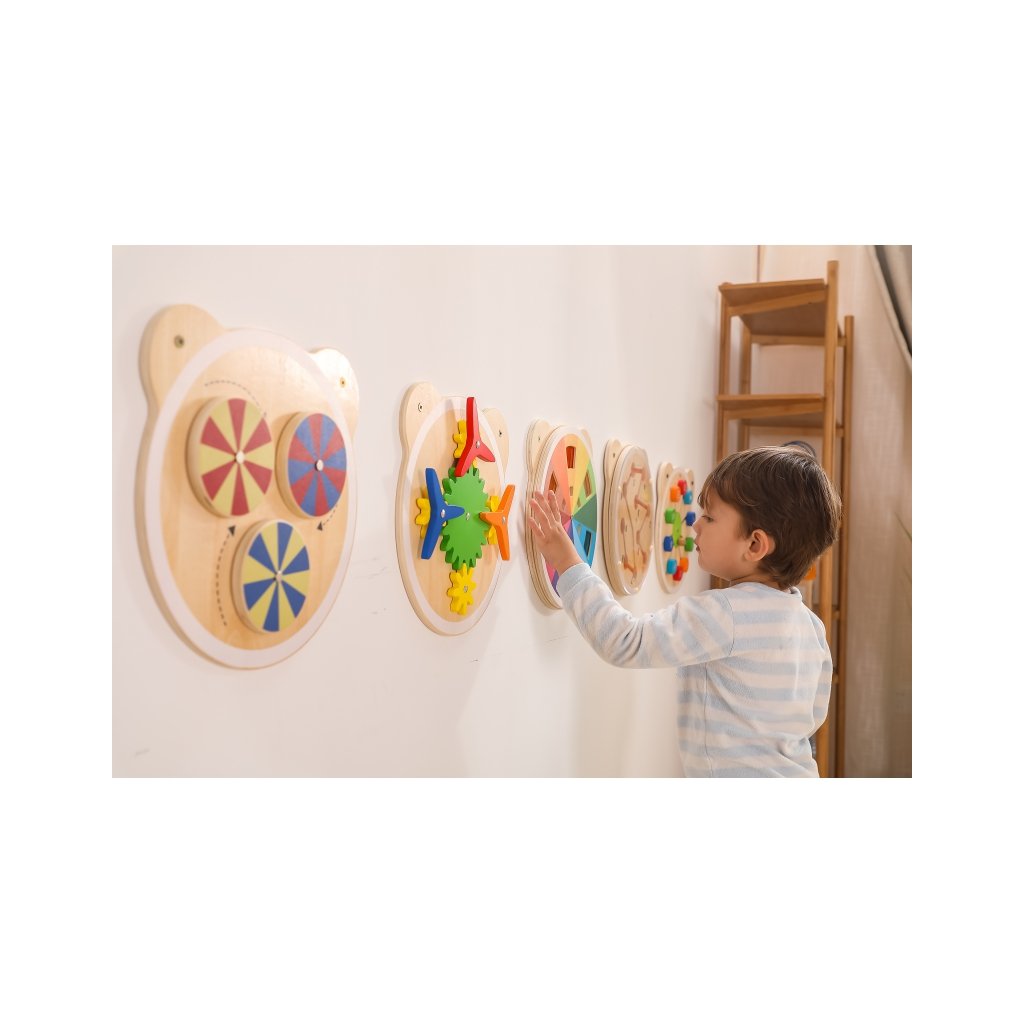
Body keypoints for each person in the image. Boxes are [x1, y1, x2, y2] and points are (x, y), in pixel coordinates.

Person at [527, 445, 842, 777]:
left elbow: (625, 641)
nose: (695, 524)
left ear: (754, 545)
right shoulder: (812, 628)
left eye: (709, 517)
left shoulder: (726, 613)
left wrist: (567, 563)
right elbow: (810, 720)